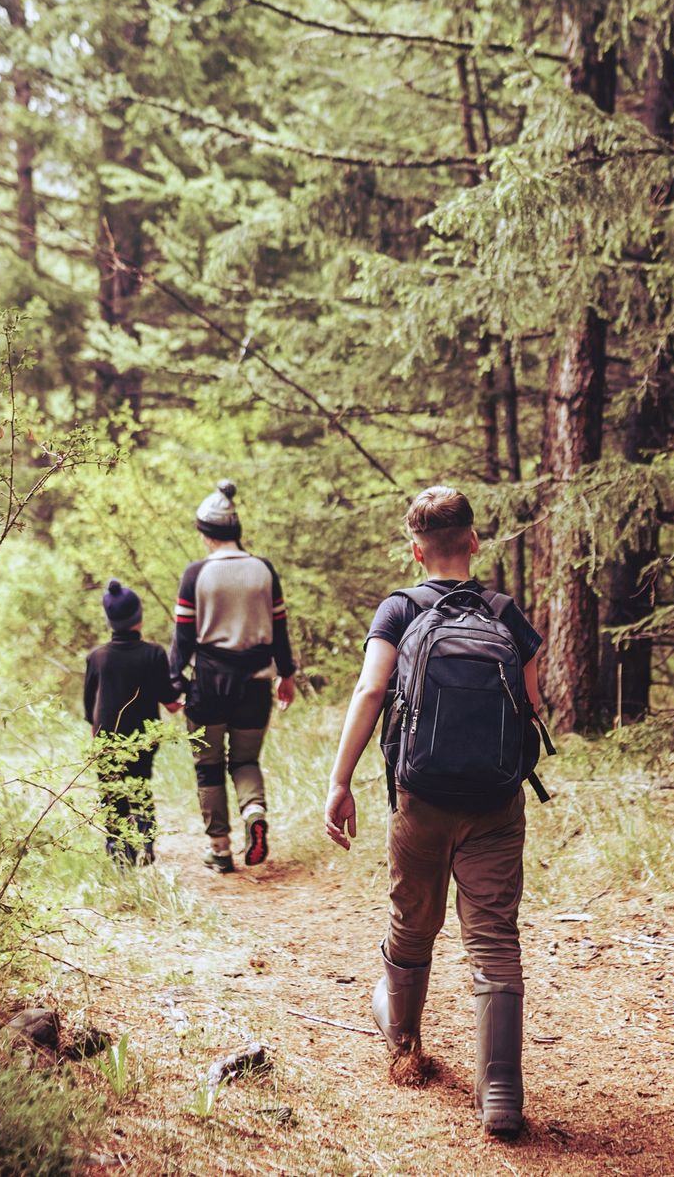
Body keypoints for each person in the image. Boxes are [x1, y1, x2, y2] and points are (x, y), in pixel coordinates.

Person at [324, 486, 547, 1139]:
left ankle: (404, 1040)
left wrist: (340, 781)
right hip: (496, 804)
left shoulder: (399, 609)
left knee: (412, 919)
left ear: (416, 551)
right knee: (494, 938)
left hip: (421, 800)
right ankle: (500, 1091)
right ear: (474, 542)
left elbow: (371, 688)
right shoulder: (506, 614)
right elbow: (533, 707)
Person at [170, 480, 297, 873]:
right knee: (245, 760)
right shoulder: (263, 570)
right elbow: (279, 629)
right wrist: (286, 675)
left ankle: (221, 849)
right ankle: (254, 811)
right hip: (256, 684)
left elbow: (183, 639)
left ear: (205, 533)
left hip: (208, 686)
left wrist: (174, 683)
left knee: (208, 765)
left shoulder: (196, 574)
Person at [83, 578, 183, 866]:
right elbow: (168, 698)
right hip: (143, 737)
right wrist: (180, 698)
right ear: (139, 617)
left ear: (108, 621)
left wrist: (96, 735)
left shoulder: (96, 657)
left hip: (107, 739)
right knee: (139, 784)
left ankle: (118, 849)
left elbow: (89, 707)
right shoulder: (154, 653)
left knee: (111, 791)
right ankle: (145, 841)